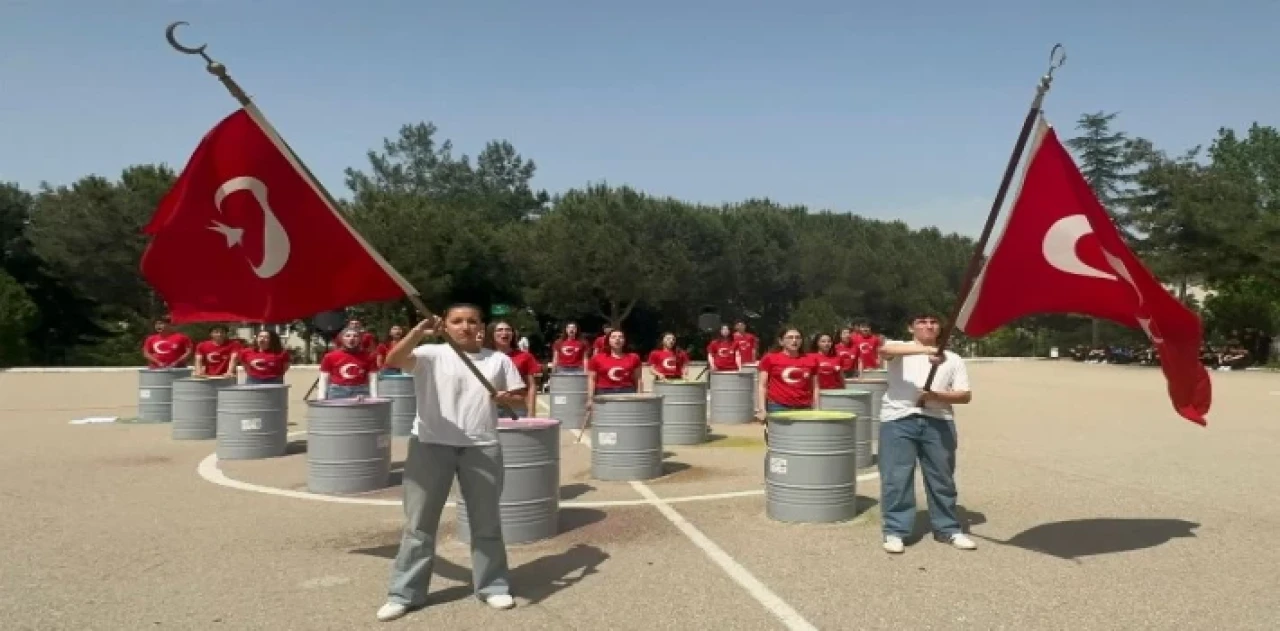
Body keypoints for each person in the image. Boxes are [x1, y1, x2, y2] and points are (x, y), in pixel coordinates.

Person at [376, 304, 526, 621]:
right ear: (444, 325)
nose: (465, 326)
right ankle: (405, 593)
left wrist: (505, 398)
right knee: (419, 525)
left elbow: (519, 397)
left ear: (482, 327)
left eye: (472, 321)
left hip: (481, 447)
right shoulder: (431, 353)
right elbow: (393, 360)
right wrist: (418, 331)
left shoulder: (498, 359)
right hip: (430, 445)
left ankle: (493, 586)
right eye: (457, 321)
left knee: (485, 522)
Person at [876, 313, 977, 554]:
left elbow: (965, 395)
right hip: (898, 420)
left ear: (940, 328)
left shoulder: (952, 359)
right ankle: (896, 531)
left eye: (933, 322)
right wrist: (926, 352)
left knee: (941, 478)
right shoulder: (900, 350)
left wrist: (935, 396)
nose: (928, 326)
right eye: (922, 322)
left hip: (938, 420)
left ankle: (948, 528)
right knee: (897, 478)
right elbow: (884, 349)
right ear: (911, 327)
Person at [754, 327, 819, 418]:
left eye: (798, 337)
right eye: (790, 337)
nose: (794, 340)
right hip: (778, 406)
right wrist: (762, 409)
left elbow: (815, 387)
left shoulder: (811, 360)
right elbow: (762, 386)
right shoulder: (770, 358)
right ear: (781, 341)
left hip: (804, 407)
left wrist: (816, 408)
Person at [489, 320, 540, 416]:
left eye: (508, 330)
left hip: (516, 407)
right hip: (490, 407)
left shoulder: (525, 356)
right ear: (492, 334)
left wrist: (531, 411)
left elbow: (531, 386)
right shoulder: (485, 356)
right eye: (499, 330)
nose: (504, 333)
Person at [319, 328, 378, 398]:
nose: (351, 338)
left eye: (355, 336)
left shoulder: (368, 357)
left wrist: (374, 397)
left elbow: (373, 378)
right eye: (348, 336)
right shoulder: (329, 356)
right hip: (337, 391)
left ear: (360, 339)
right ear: (342, 338)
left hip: (360, 391)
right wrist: (321, 397)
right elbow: (324, 378)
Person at [586, 329, 642, 402]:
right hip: (604, 392)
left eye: (620, 337)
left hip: (627, 392)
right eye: (613, 337)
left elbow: (638, 379)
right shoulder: (597, 358)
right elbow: (591, 380)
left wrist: (640, 397)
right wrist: (590, 399)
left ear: (624, 340)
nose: (617, 339)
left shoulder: (634, 357)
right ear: (608, 341)